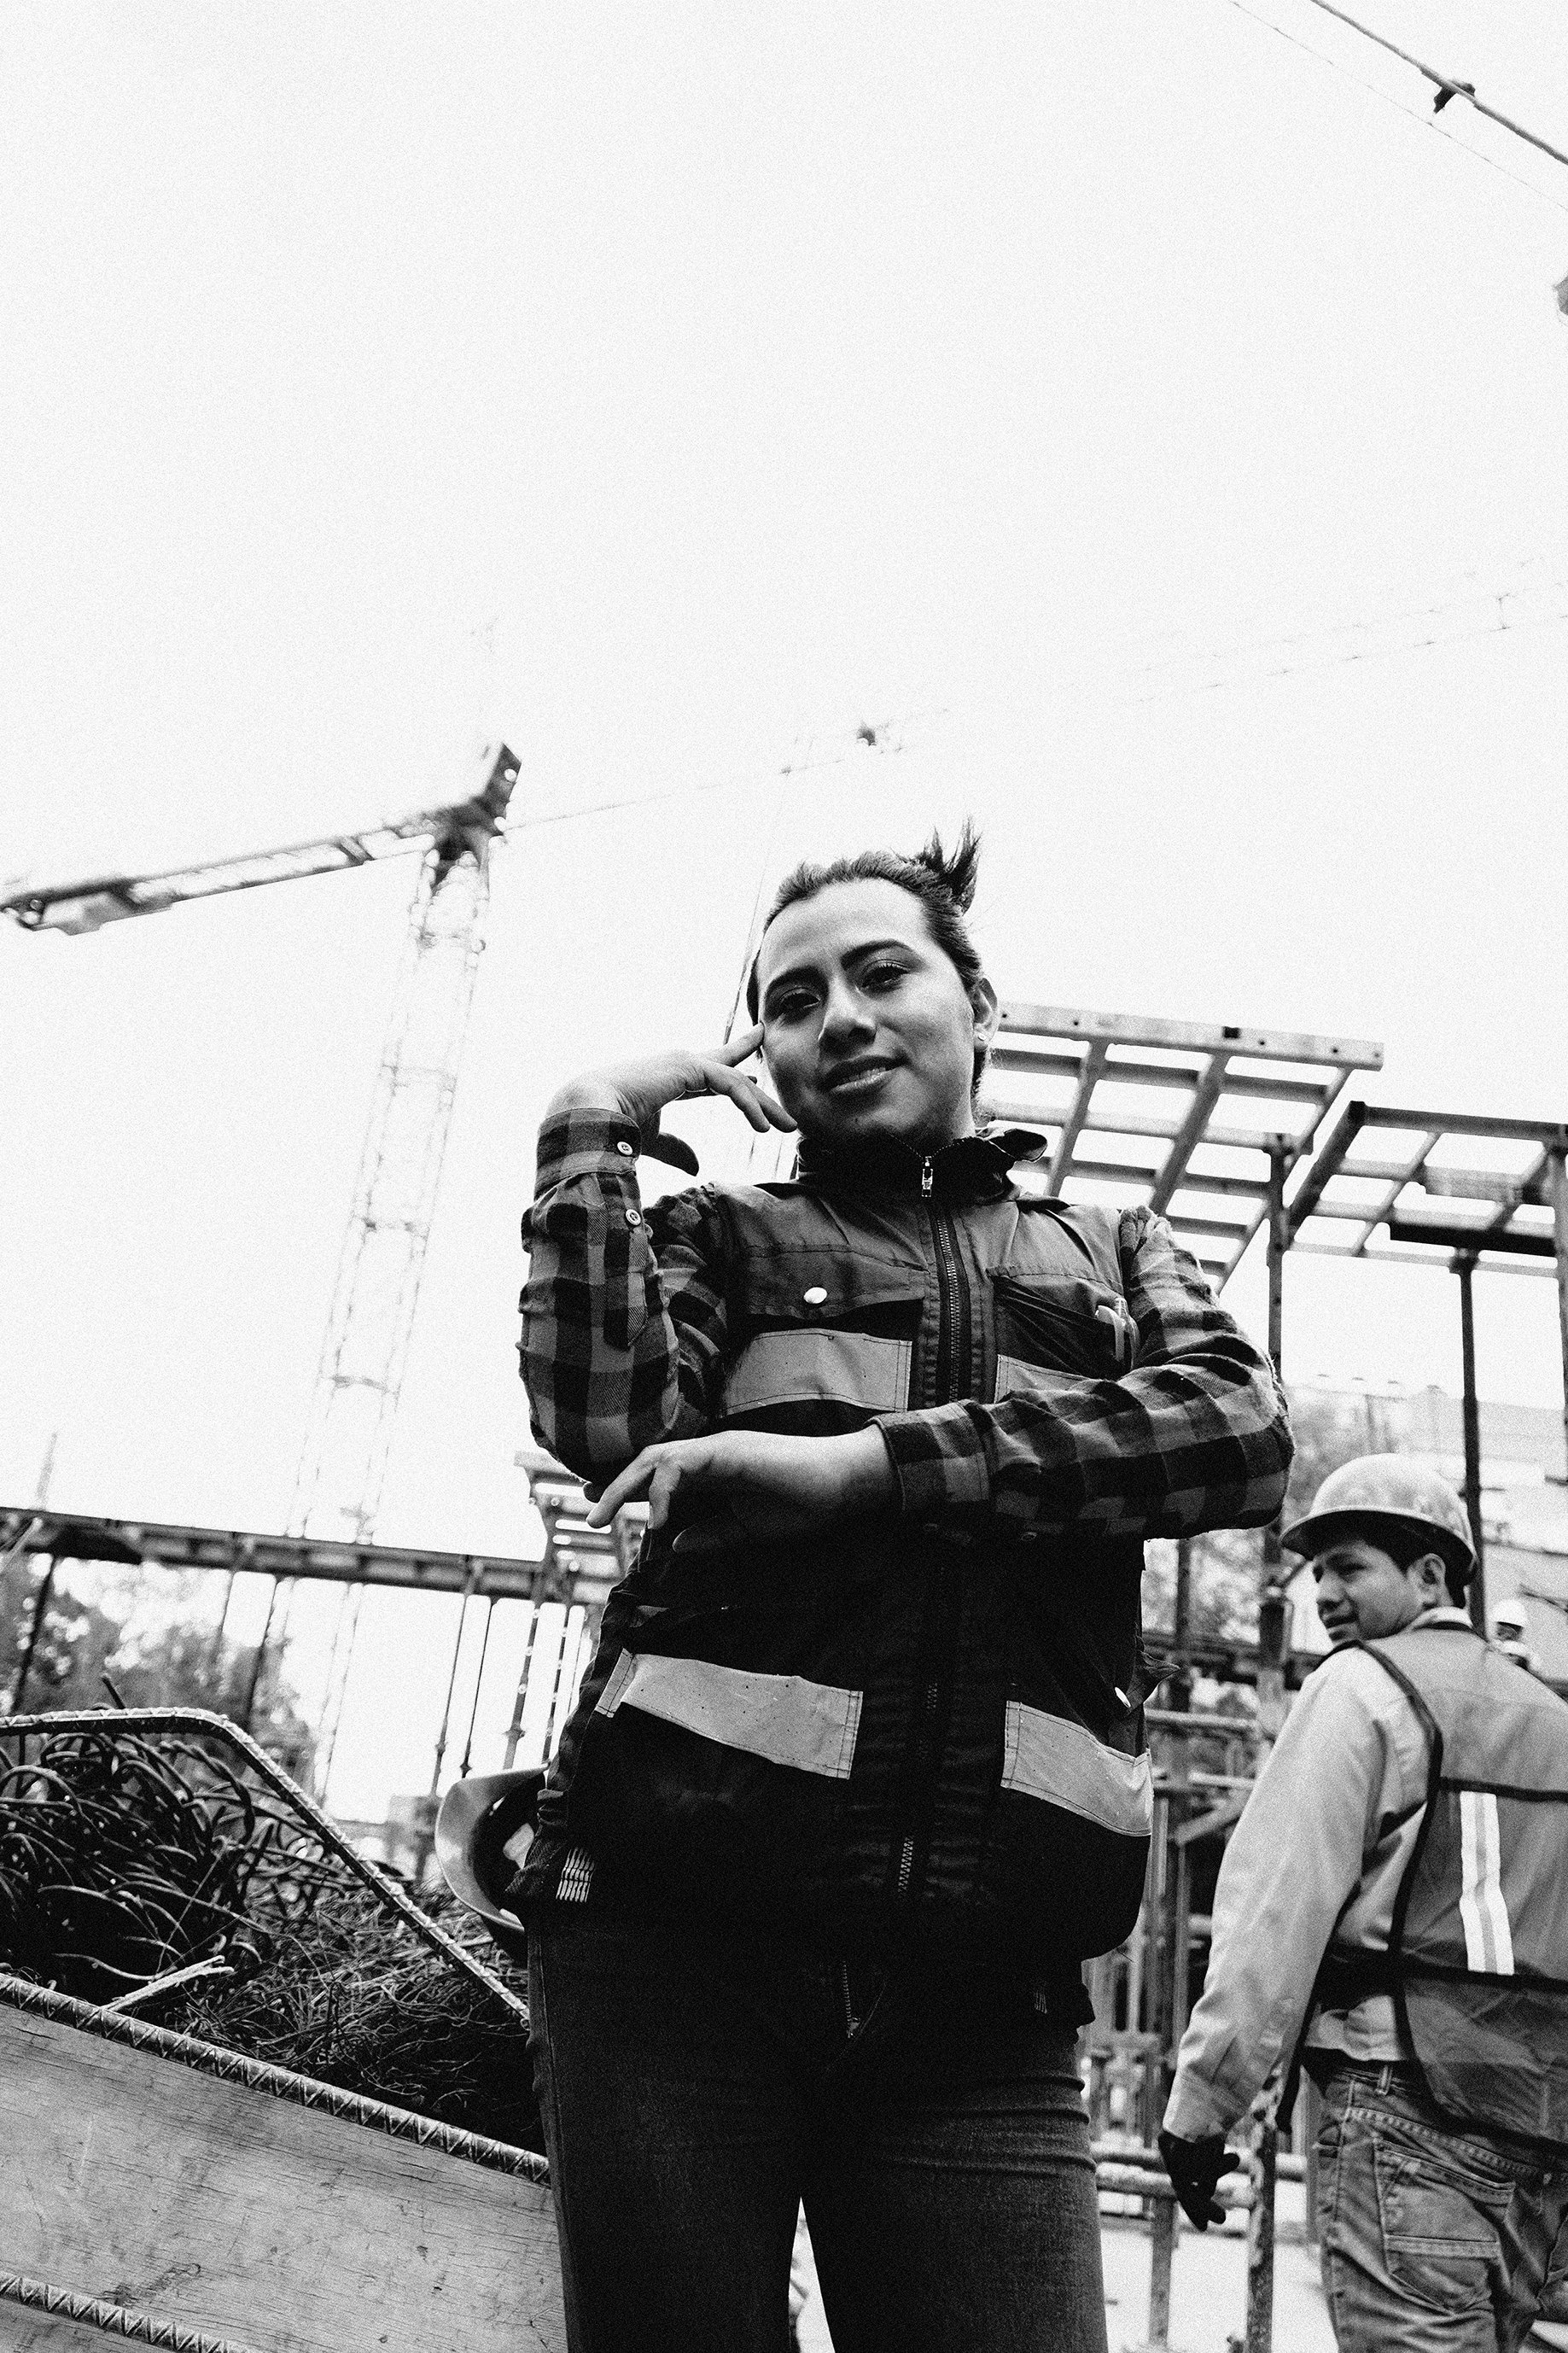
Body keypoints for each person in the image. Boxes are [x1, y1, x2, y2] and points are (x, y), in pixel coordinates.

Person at [512, 826, 1292, 2353]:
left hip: (981, 1998)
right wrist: (582, 1127)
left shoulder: (1112, 1252)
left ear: (976, 1002)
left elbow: (1237, 1431)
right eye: (792, 1001)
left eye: (881, 972)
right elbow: (600, 1424)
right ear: (762, 1055)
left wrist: (865, 1467)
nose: (841, 1020)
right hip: (671, 1950)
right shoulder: (713, 1235)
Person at [1161, 1454, 1568, 2353]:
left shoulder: (1361, 1687)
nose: (1324, 1594)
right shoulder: (1551, 1720)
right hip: (1537, 2132)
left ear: (1431, 1572)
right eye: (1317, 1574)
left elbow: (1275, 1912)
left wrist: (1200, 2108)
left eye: (1348, 1566)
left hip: (1403, 2105)